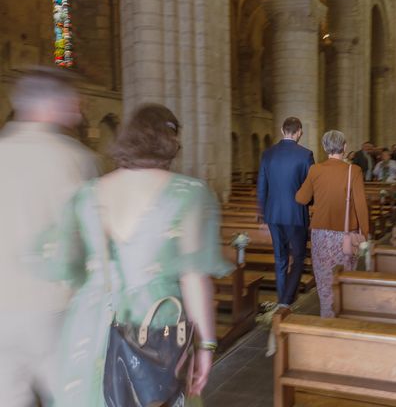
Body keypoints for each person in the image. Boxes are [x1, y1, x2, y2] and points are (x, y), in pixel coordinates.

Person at [35, 104, 234, 406]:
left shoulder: (87, 193)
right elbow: (194, 276)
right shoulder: (189, 193)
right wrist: (206, 344)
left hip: (90, 327)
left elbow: (67, 270)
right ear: (171, 141)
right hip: (156, 326)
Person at [0, 67, 99, 407]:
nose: (79, 108)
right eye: (74, 101)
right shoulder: (72, 157)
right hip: (53, 309)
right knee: (77, 397)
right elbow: (90, 238)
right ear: (52, 105)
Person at [295, 130, 369, 317]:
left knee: (324, 279)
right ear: (344, 147)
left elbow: (301, 199)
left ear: (325, 148)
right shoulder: (354, 170)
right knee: (344, 278)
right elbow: (361, 205)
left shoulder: (315, 170)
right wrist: (365, 235)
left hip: (320, 235)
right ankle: (343, 316)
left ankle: (327, 317)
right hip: (345, 235)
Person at [257, 117, 314, 308]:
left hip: (273, 214)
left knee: (280, 258)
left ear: (282, 130)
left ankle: (283, 298)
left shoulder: (268, 154)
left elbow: (262, 187)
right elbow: (310, 187)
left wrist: (263, 212)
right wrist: (310, 203)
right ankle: (285, 301)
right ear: (299, 132)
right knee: (298, 258)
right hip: (296, 215)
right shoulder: (305, 155)